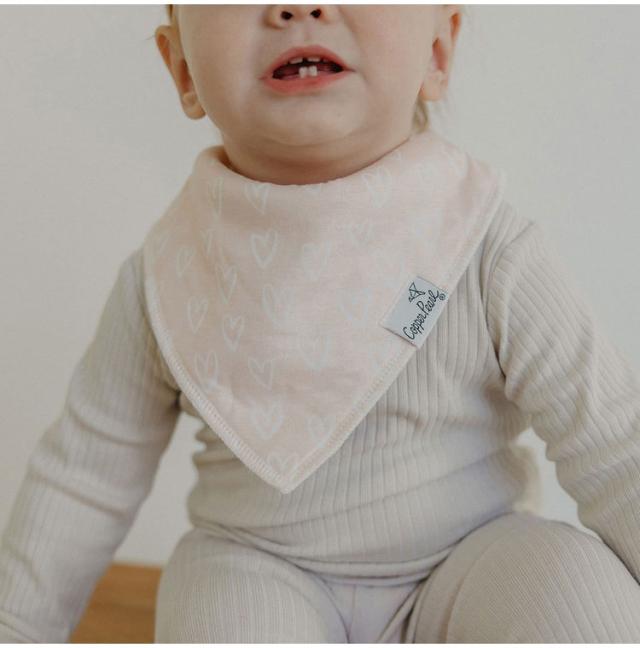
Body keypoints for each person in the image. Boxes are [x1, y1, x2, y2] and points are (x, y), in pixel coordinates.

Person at [1, 4, 640, 643]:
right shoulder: (172, 273)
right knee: (219, 614)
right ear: (185, 72)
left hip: (474, 559)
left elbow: (614, 445)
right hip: (258, 565)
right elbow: (82, 479)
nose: (300, 6)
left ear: (437, 52)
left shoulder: (482, 246)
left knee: (577, 587)